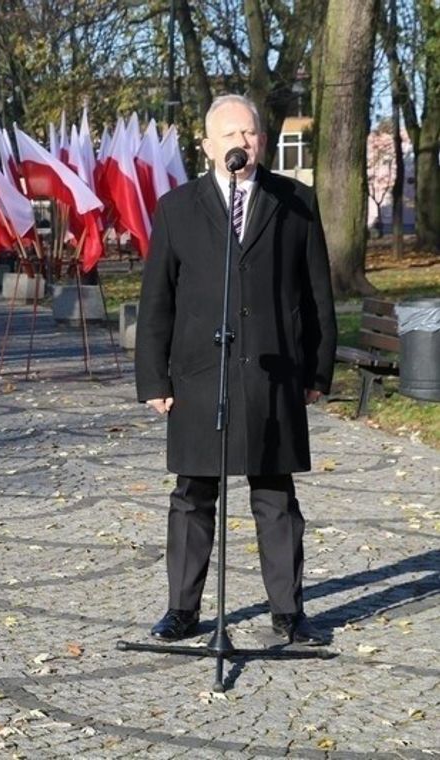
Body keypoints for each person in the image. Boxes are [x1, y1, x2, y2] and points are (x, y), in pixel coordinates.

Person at [134, 94, 337, 646]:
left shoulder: (295, 202)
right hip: (201, 374)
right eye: (229, 135)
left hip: (273, 373)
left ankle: (288, 612)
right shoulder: (177, 208)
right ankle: (182, 609)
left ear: (262, 143)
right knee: (193, 494)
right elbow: (157, 300)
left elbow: (317, 293)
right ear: (207, 146)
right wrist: (154, 379)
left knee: (275, 495)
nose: (240, 144)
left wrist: (318, 370)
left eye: (249, 134)